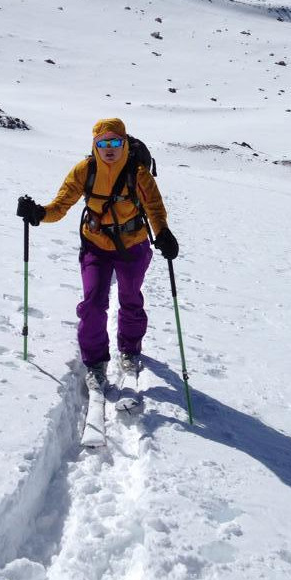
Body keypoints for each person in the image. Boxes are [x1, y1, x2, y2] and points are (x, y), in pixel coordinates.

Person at [17, 118, 178, 391]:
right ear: (95, 145)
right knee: (93, 304)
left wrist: (162, 232)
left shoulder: (138, 173)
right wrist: (39, 213)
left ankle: (129, 347)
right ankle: (95, 362)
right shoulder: (84, 170)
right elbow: (61, 205)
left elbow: (154, 207)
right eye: (103, 143)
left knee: (130, 298)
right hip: (95, 244)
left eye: (115, 142)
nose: (109, 148)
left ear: (124, 142)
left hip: (133, 245)